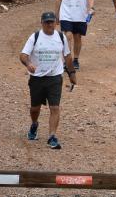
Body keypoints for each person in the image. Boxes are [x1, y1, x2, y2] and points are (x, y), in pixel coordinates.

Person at [20, 12, 77, 149]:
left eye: (52, 22)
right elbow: (23, 55)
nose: (50, 24)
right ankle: (34, 124)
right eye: (47, 22)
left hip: (55, 77)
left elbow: (67, 56)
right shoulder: (35, 37)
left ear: (56, 23)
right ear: (42, 23)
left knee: (55, 107)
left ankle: (52, 136)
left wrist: (71, 73)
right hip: (37, 78)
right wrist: (28, 64)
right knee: (35, 108)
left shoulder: (61, 37)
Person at [55, 0, 96, 71]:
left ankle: (76, 59)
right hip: (66, 13)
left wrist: (91, 8)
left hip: (80, 14)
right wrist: (56, 14)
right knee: (67, 36)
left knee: (77, 37)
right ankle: (67, 60)